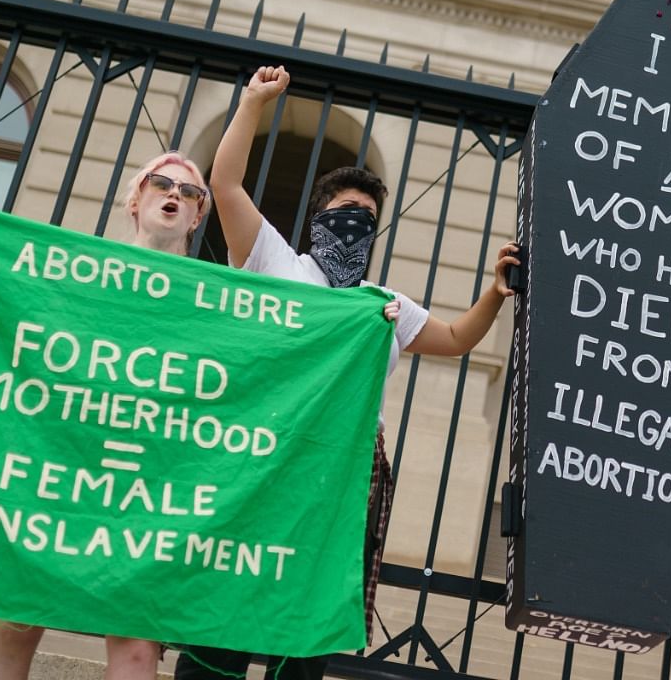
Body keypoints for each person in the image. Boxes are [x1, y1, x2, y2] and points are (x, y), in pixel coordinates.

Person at [173, 65, 520, 680]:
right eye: (344, 210)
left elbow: (460, 338)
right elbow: (225, 184)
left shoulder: (381, 304)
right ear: (317, 219)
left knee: (307, 611)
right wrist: (254, 102)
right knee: (230, 590)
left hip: (347, 470)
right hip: (266, 454)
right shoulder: (276, 262)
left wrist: (495, 293)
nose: (355, 222)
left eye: (366, 214)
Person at [0, 151, 212, 680]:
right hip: (59, 469)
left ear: (198, 215)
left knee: (137, 647)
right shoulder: (78, 268)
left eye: (188, 192)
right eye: (162, 184)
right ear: (135, 200)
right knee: (16, 621)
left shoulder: (219, 295)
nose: (174, 195)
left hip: (146, 485)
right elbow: (5, 281)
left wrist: (366, 316)